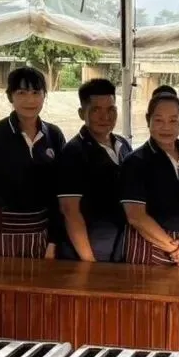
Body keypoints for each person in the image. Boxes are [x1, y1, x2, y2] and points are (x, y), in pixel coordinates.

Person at [0, 67, 66, 258]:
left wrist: (54, 240)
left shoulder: (54, 135)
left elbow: (58, 193)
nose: (30, 100)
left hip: (39, 232)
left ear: (44, 96)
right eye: (21, 93)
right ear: (10, 97)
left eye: (36, 93)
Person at [119, 86, 179, 266]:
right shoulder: (135, 162)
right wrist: (176, 250)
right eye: (159, 120)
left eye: (173, 120)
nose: (166, 127)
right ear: (148, 120)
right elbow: (136, 216)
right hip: (148, 249)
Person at [55, 79, 133, 262]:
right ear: (82, 113)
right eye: (96, 110)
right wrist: (89, 262)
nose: (105, 117)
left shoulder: (123, 145)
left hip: (122, 248)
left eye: (111, 109)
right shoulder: (73, 153)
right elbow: (70, 211)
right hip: (89, 252)